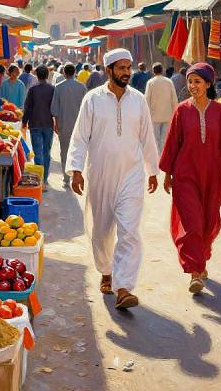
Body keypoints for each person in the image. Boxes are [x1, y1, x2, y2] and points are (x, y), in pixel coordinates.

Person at [67, 48, 159, 310]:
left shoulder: (138, 100)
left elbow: (147, 136)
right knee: (102, 231)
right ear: (108, 70)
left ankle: (123, 287)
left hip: (131, 174)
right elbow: (80, 136)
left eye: (128, 67)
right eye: (121, 68)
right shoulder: (93, 100)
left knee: (129, 231)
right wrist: (76, 169)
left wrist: (152, 169)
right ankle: (106, 271)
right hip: (100, 174)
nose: (127, 72)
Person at [160, 63, 221, 295]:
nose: (192, 86)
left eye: (197, 81)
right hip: (185, 175)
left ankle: (201, 257)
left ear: (208, 83)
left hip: (212, 175)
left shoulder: (218, 112)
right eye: (190, 81)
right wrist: (167, 174)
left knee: (208, 221)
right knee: (192, 223)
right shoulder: (181, 111)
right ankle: (195, 272)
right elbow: (172, 143)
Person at [51, 62, 86, 188]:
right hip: (80, 126)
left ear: (64, 73)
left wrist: (56, 123)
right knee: (78, 151)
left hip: (63, 125)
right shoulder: (81, 87)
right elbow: (86, 109)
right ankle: (76, 176)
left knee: (64, 151)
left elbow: (54, 109)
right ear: (75, 73)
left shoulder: (59, 87)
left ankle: (66, 178)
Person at [22, 65, 55, 191]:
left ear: (37, 75)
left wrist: (24, 122)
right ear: (47, 75)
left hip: (35, 124)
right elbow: (55, 108)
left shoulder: (32, 90)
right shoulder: (52, 89)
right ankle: (44, 180)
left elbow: (27, 107)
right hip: (48, 124)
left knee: (38, 153)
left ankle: (39, 180)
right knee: (46, 152)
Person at [145, 62, 178, 154]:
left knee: (155, 139)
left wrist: (145, 114)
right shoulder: (169, 82)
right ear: (162, 70)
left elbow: (147, 99)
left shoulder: (150, 82)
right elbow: (174, 99)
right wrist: (175, 113)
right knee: (164, 139)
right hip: (167, 115)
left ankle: (157, 159)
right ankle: (163, 158)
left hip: (154, 116)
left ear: (153, 71)